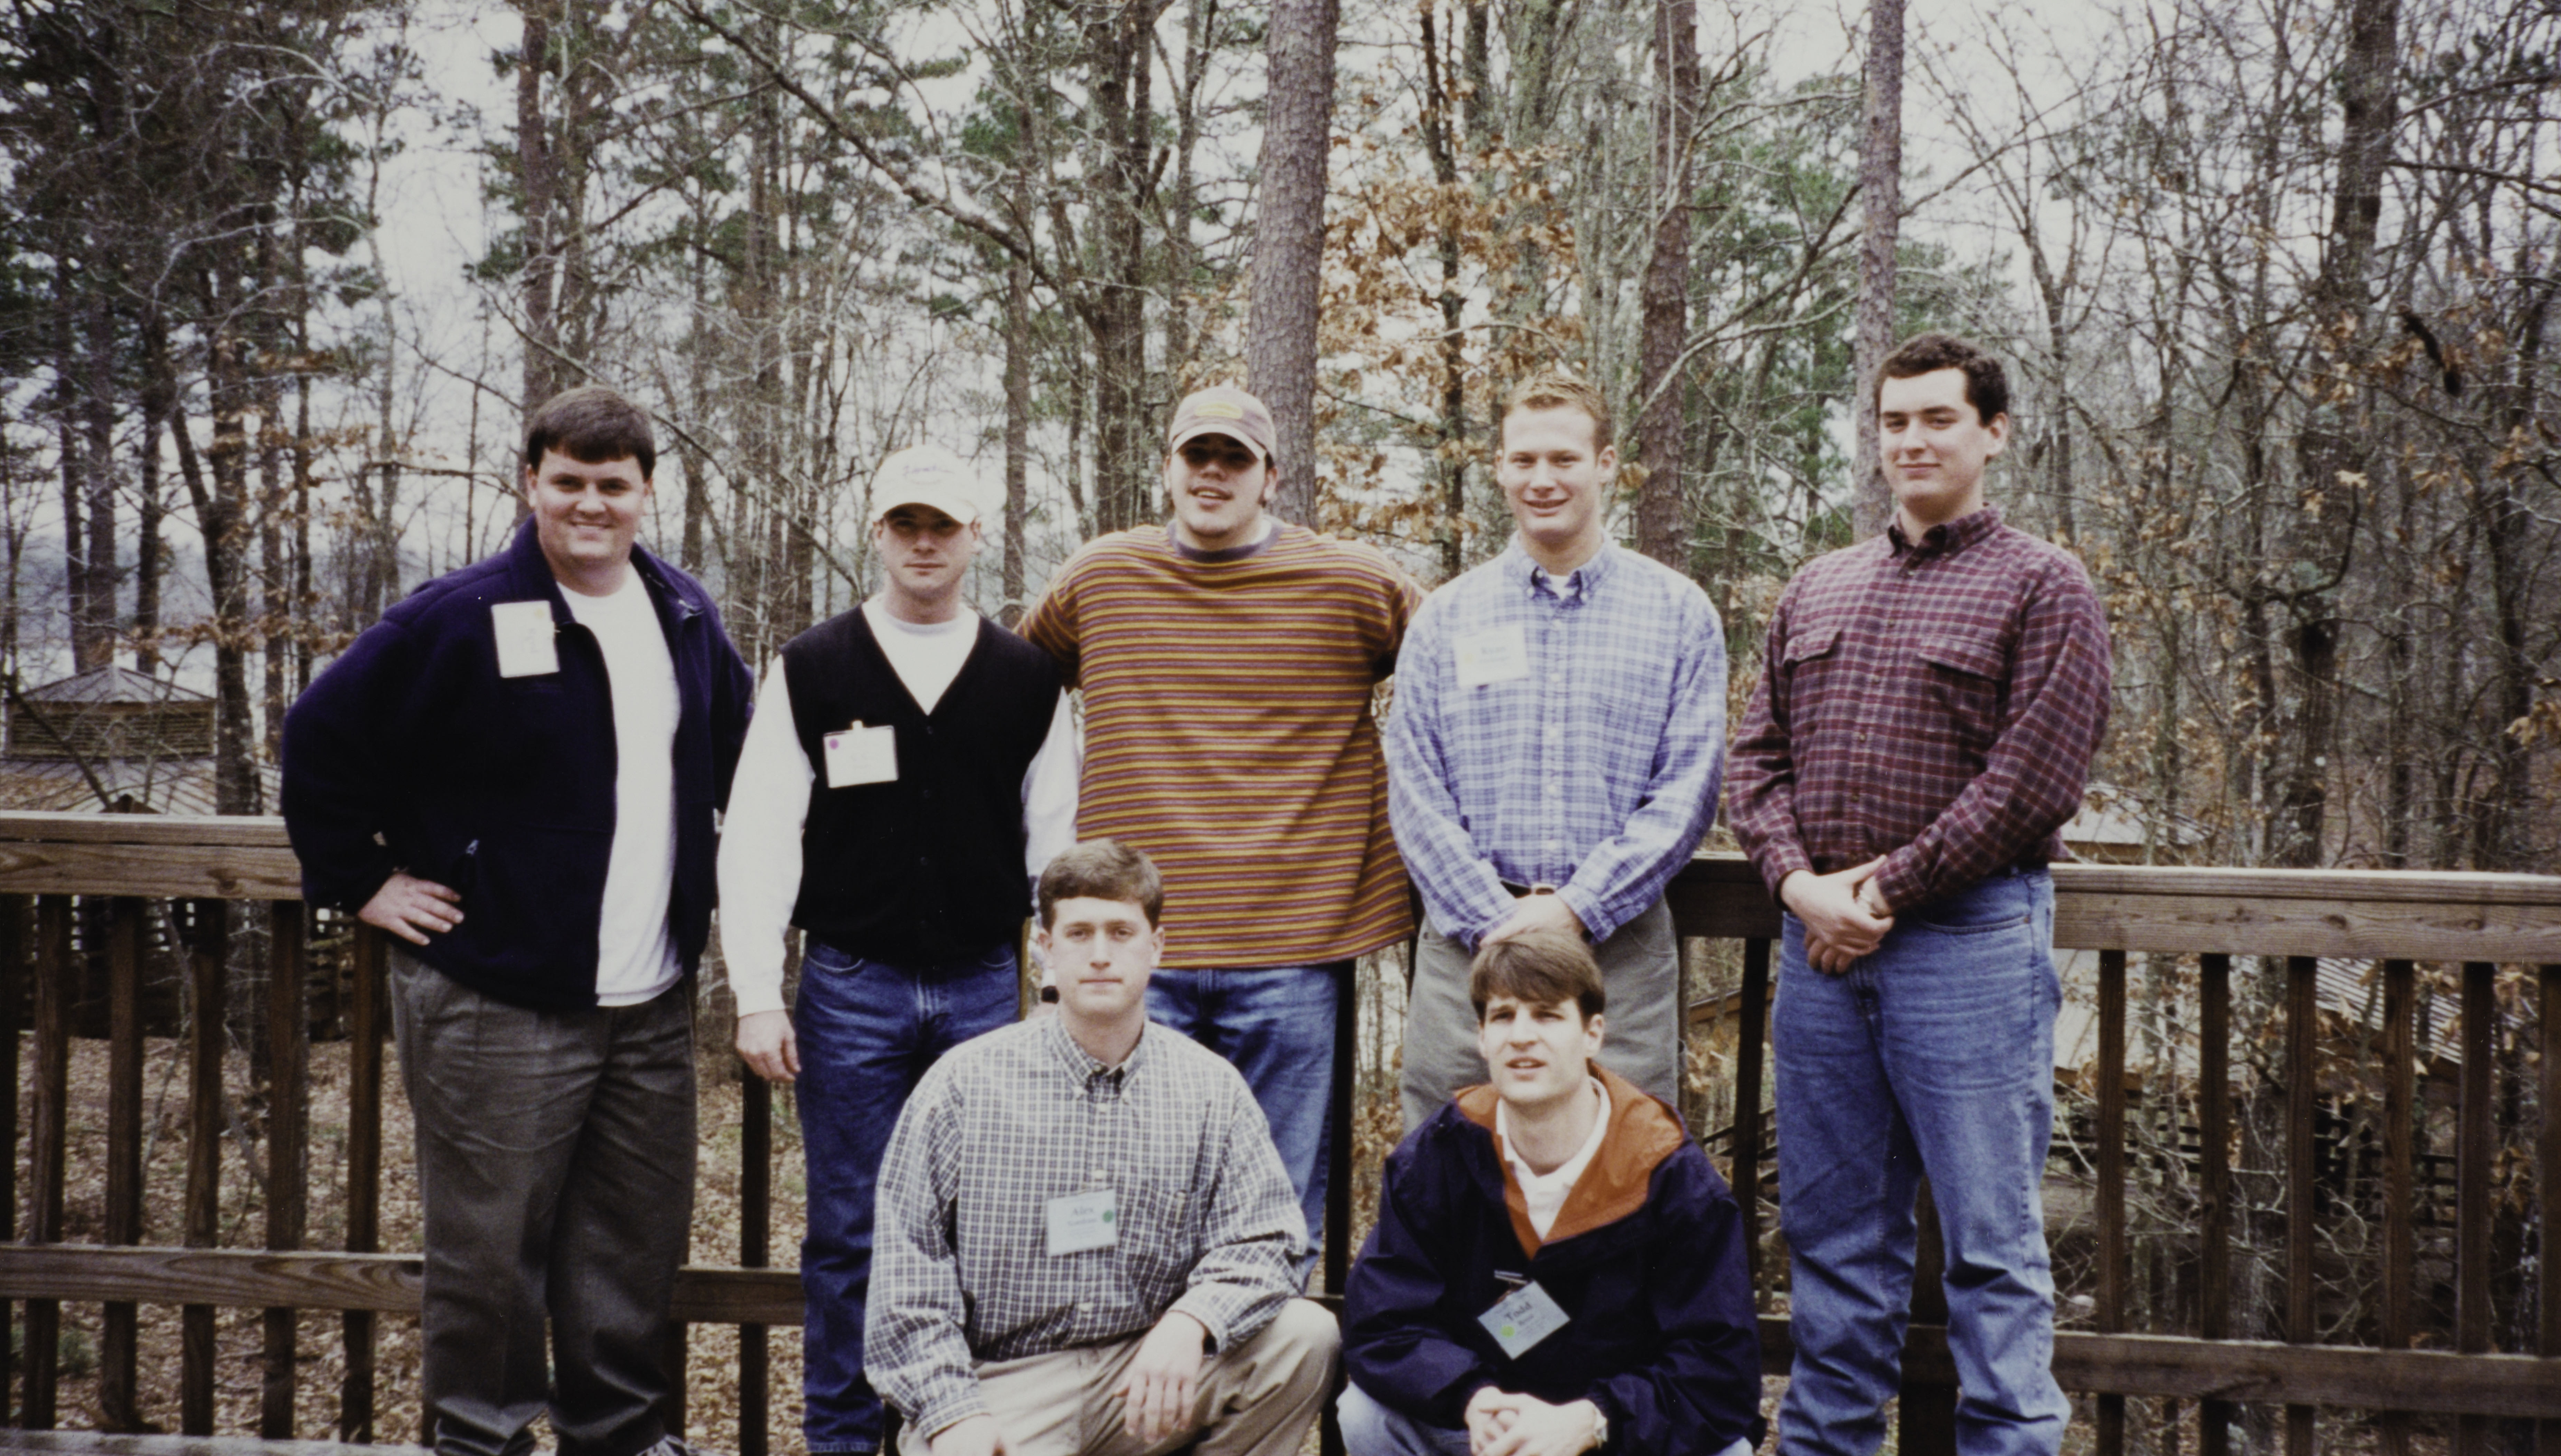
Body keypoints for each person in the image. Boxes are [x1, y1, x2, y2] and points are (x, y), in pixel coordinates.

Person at [281, 384, 753, 1456]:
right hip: (494, 991)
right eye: (570, 481)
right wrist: (356, 881)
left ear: (647, 493)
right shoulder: (460, 613)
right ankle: (480, 1438)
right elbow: (318, 734)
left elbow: (745, 754)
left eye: (614, 485)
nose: (592, 504)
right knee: (490, 1253)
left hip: (647, 998)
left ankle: (620, 1436)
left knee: (628, 1247)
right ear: (530, 480)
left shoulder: (682, 611)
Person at [1725, 332, 2112, 1456]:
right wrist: (1801, 889)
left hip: (1969, 948)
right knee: (1833, 1238)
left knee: (1991, 1246)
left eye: (1937, 418)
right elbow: (1754, 764)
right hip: (1820, 959)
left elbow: (2032, 785)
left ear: (1992, 432)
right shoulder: (1818, 586)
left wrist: (1877, 892)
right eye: (1894, 421)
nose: (1912, 440)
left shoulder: (2045, 586)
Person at [719, 444, 1081, 1456]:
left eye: (944, 526)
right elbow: (757, 835)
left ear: (975, 538)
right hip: (849, 986)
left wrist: (1055, 990)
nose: (925, 543)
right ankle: (842, 1438)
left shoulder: (1026, 678)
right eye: (905, 524)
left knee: (980, 1225)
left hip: (980, 986)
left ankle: (951, 1430)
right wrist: (757, 989)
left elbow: (1057, 844)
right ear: (877, 534)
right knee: (849, 1233)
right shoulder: (816, 664)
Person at [1020, 386, 1422, 1255]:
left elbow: (1460, 674)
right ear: (1166, 468)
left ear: (1271, 477)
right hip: (1128, 949)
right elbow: (1008, 695)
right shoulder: (1102, 577)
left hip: (1293, 947)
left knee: (1274, 1206)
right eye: (1195, 455)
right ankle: (1134, 1387)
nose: (1212, 472)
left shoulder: (1353, 581)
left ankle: (1260, 1388)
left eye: (1234, 458)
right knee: (1114, 1199)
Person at [865, 839, 1339, 1456]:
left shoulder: (1209, 1087)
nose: (1099, 956)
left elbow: (1267, 1240)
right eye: (1079, 933)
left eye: (1121, 932)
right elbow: (907, 1276)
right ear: (1045, 946)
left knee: (1304, 1336)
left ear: (1156, 946)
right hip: (1006, 1385)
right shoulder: (964, 1085)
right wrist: (953, 1414)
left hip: (1149, 1372)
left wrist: (1191, 1322)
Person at [1387, 373, 1726, 1131]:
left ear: (1606, 464)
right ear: (1500, 467)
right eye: (1524, 460)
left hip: (1620, 948)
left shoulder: (1677, 614)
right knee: (1450, 1163)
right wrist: (1495, 921)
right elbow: (1414, 785)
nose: (1543, 480)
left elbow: (1689, 790)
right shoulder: (1446, 618)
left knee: (1626, 1165)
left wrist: (1576, 908)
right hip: (1465, 947)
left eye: (1566, 459)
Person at [1339, 929, 1762, 1456]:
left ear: (1593, 1033)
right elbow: (1383, 1322)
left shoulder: (1670, 1176)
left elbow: (1719, 1370)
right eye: (1502, 1016)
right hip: (1486, 1428)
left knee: (1730, 1452)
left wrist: (1593, 1420)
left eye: (1546, 1014)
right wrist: (1470, 1396)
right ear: (1481, 1037)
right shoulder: (1439, 1154)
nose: (1521, 1035)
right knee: (1365, 1413)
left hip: (1612, 1434)